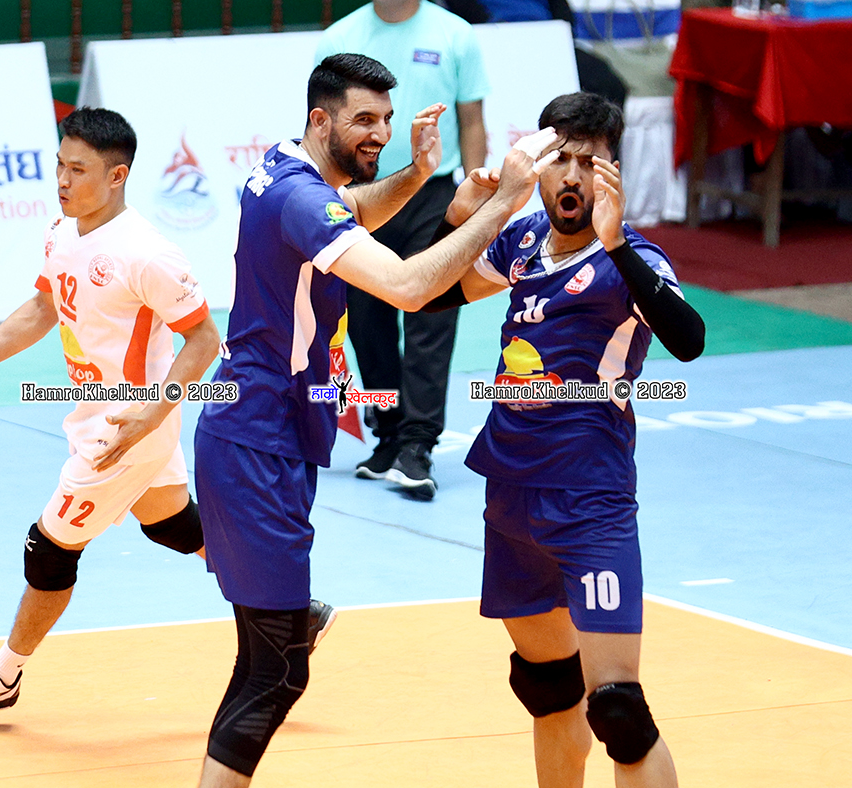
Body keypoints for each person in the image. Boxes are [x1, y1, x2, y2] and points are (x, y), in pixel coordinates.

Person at [192, 53, 558, 787]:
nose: (381, 133)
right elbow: (408, 287)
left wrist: (419, 175)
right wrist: (502, 204)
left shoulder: (288, 169)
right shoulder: (300, 199)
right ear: (320, 118)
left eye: (387, 119)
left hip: (268, 435)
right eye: (364, 119)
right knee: (276, 671)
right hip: (258, 442)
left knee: (267, 661)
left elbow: (352, 210)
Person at [0, 108, 336, 717]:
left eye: (78, 170)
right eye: (60, 165)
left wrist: (151, 415)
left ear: (117, 176)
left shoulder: (147, 255)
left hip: (126, 429)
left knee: (49, 548)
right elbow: (43, 308)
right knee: (171, 524)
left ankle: (2, 676)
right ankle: (295, 613)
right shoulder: (61, 231)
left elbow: (204, 340)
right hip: (98, 416)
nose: (62, 180)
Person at [420, 91, 704, 788]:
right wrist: (463, 217)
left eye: (590, 162)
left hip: (589, 501)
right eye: (560, 159)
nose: (572, 176)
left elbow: (689, 340)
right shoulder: (520, 242)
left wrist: (615, 242)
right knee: (548, 691)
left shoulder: (633, 259)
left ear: (613, 175)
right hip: (511, 497)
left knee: (618, 710)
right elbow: (428, 291)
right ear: (538, 166)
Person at [315, 0, 490, 499]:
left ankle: (417, 444)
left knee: (432, 319)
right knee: (365, 322)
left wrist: (475, 197)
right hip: (361, 195)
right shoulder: (339, 38)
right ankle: (388, 433)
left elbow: (471, 120)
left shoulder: (456, 35)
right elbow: (325, 128)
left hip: (434, 196)